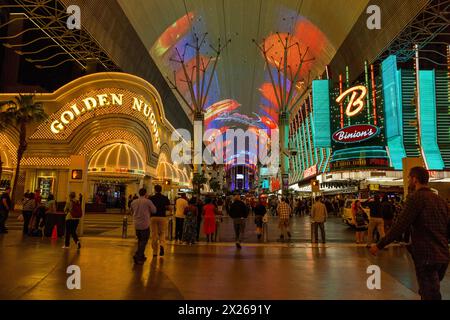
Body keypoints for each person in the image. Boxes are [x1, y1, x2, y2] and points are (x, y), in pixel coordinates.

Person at [370, 167, 450, 300]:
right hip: (442, 256)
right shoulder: (440, 200)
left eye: (408, 178)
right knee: (430, 291)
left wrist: (379, 245)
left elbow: (400, 226)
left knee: (430, 294)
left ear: (415, 179)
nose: (408, 180)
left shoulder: (416, 199)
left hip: (426, 256)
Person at [130, 188, 157, 265]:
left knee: (140, 240)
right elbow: (154, 210)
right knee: (144, 241)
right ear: (145, 193)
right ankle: (138, 255)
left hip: (136, 223)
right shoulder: (148, 201)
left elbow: (131, 211)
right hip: (145, 223)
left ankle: (141, 255)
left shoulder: (133, 202)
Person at [149, 185, 170, 257]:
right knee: (162, 233)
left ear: (155, 189)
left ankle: (155, 252)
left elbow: (149, 208)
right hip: (162, 217)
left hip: (153, 217)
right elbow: (168, 207)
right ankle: (162, 245)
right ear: (161, 190)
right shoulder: (165, 198)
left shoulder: (151, 198)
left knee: (154, 234)